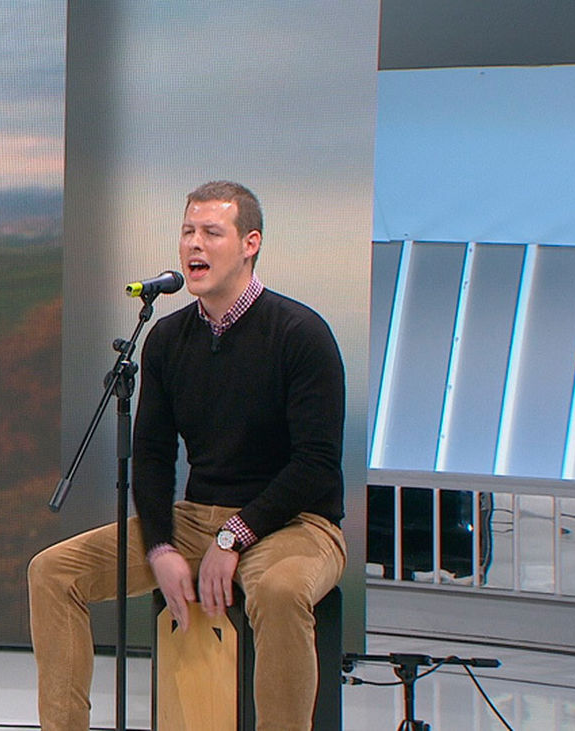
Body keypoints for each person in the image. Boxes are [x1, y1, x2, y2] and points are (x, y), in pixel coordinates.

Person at [27, 181, 347, 731]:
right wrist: (159, 546)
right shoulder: (168, 338)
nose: (194, 245)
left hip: (297, 522)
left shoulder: (300, 333)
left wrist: (236, 536)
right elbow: (151, 457)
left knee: (278, 589)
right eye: (187, 232)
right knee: (54, 572)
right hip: (200, 518)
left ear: (250, 243)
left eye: (211, 233)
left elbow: (316, 465)